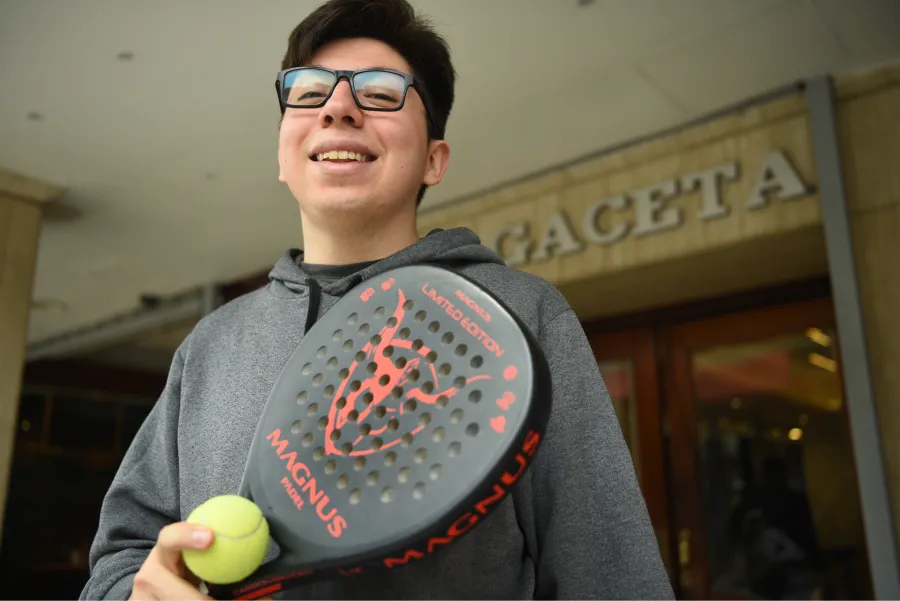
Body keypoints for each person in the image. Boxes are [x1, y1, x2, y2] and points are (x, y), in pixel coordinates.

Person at [80, 0, 674, 598]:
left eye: (383, 92)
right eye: (308, 92)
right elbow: (122, 552)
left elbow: (611, 576)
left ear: (434, 160)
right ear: (283, 156)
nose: (338, 107)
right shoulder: (211, 344)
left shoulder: (519, 317)